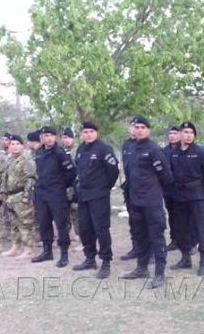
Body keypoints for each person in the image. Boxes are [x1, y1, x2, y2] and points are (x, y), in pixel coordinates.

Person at [121, 116, 173, 288]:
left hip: (151, 202)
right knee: (140, 236)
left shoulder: (154, 150)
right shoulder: (130, 148)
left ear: (148, 130)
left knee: (157, 237)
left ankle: (159, 274)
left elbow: (167, 177)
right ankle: (141, 268)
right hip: (135, 201)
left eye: (143, 127)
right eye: (137, 127)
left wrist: (152, 189)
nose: (139, 130)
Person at [167, 121, 204, 276]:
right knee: (181, 229)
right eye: (185, 132)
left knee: (200, 228)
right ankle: (185, 258)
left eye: (191, 133)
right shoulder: (173, 153)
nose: (188, 135)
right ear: (180, 134)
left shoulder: (201, 153)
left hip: (197, 196)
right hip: (179, 197)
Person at [72, 122, 120, 279]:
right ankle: (90, 258)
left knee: (101, 229)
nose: (88, 134)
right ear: (82, 134)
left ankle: (106, 262)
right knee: (85, 228)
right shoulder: (80, 149)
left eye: (91, 131)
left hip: (99, 195)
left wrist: (105, 187)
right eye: (85, 132)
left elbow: (113, 171)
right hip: (84, 195)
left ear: (96, 133)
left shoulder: (104, 149)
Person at [31, 126, 77, 267]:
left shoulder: (60, 153)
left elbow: (71, 173)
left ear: (55, 137)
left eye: (51, 135)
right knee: (44, 223)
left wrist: (60, 185)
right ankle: (47, 252)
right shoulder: (39, 153)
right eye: (46, 136)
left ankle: (64, 254)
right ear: (41, 138)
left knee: (61, 224)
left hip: (56, 193)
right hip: (42, 193)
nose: (49, 138)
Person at [1, 134, 38, 259]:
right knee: (14, 223)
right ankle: (16, 246)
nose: (15, 146)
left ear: (22, 146)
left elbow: (31, 179)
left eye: (17, 144)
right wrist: (3, 192)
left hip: (21, 195)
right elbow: (5, 177)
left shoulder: (27, 159)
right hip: (11, 197)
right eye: (12, 144)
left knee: (25, 223)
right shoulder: (10, 159)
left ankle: (29, 249)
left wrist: (27, 195)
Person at [119, 122, 139, 260]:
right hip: (130, 186)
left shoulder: (146, 145)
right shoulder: (126, 144)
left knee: (146, 221)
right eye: (132, 126)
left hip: (143, 188)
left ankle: (149, 251)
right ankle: (136, 247)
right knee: (133, 220)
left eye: (137, 126)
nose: (135, 129)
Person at [62, 127, 82, 251]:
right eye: (64, 138)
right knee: (67, 213)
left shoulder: (78, 151)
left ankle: (81, 238)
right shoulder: (62, 151)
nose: (66, 140)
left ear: (73, 138)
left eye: (68, 137)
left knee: (77, 213)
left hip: (76, 186)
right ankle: (67, 237)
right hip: (65, 187)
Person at [163, 125, 181, 251]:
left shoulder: (184, 149)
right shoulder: (164, 151)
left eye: (175, 133)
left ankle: (190, 241)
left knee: (186, 216)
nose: (172, 136)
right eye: (170, 134)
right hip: (169, 189)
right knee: (172, 215)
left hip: (183, 189)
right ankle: (174, 239)